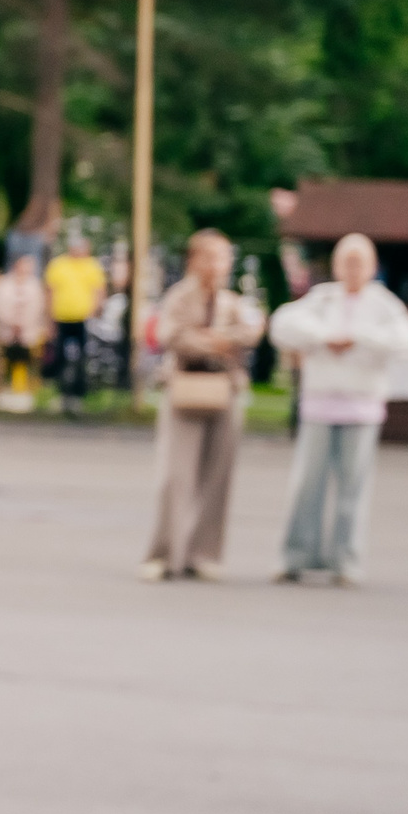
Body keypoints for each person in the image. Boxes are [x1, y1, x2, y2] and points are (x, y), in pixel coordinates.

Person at [269, 233, 408, 584]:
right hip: (320, 404)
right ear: (337, 266)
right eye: (346, 262)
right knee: (308, 483)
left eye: (359, 262)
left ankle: (346, 561)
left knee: (354, 487)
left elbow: (404, 339)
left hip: (361, 407)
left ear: (371, 267)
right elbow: (283, 325)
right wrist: (324, 337)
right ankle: (296, 556)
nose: (352, 269)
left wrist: (358, 338)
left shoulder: (383, 304)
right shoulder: (322, 299)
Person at [142, 229, 265, 582]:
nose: (217, 265)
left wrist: (221, 339)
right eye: (210, 257)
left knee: (217, 475)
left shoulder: (232, 301)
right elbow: (169, 335)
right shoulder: (179, 298)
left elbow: (250, 333)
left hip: (224, 388)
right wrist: (212, 343)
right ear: (194, 260)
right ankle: (165, 553)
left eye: (224, 258)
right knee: (175, 476)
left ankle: (204, 552)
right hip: (185, 386)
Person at [44, 233, 107, 413]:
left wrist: (95, 312)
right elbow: (50, 292)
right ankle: (62, 394)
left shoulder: (92, 266)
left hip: (83, 319)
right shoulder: (58, 265)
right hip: (61, 317)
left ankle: (78, 395)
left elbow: (98, 291)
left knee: (82, 359)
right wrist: (49, 319)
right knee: (59, 358)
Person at [0, 250, 50, 408]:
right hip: (6, 330)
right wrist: (11, 322)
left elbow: (38, 307)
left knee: (26, 361)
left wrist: (23, 323)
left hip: (28, 331)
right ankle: (2, 392)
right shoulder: (4, 283)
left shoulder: (34, 285)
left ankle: (24, 393)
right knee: (4, 361)